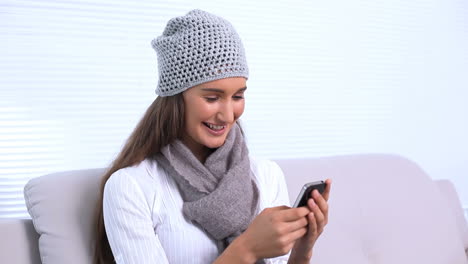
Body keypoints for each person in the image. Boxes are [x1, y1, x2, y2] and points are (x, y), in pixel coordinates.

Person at [93, 9, 331, 264]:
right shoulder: (131, 187)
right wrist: (247, 249)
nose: (228, 115)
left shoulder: (266, 175)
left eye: (238, 96)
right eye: (212, 98)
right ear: (176, 99)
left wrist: (302, 250)